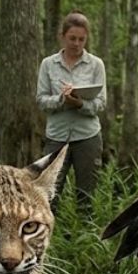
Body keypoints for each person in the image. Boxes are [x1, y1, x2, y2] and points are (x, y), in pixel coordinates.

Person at [36, 12, 107, 213]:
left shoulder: (96, 64)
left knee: (87, 194)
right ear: (63, 36)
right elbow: (41, 100)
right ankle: (50, 240)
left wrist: (80, 104)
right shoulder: (48, 64)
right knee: (49, 194)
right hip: (57, 136)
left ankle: (83, 240)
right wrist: (61, 99)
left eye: (81, 39)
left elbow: (101, 103)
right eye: (72, 38)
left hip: (87, 136)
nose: (76, 43)